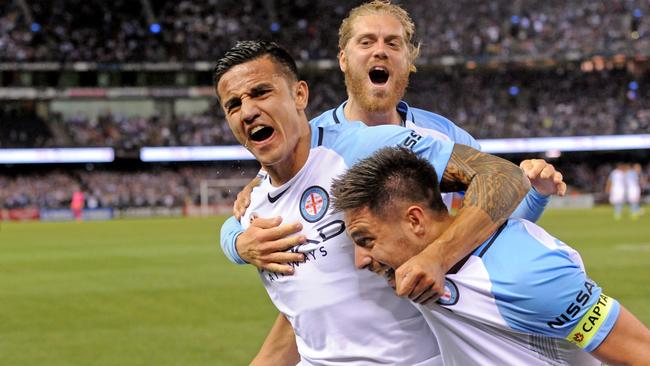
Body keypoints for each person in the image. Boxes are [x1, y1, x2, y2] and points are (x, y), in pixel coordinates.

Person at [215, 40, 532, 365]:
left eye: (261, 93)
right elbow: (301, 321)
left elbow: (502, 176)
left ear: (299, 95)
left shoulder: (365, 148)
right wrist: (236, 244)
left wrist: (438, 256)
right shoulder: (254, 209)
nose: (248, 111)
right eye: (233, 104)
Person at [331, 147, 650, 365]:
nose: (360, 260)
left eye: (366, 240)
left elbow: (641, 354)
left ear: (415, 221)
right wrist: (536, 196)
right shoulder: (423, 263)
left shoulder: (531, 274)